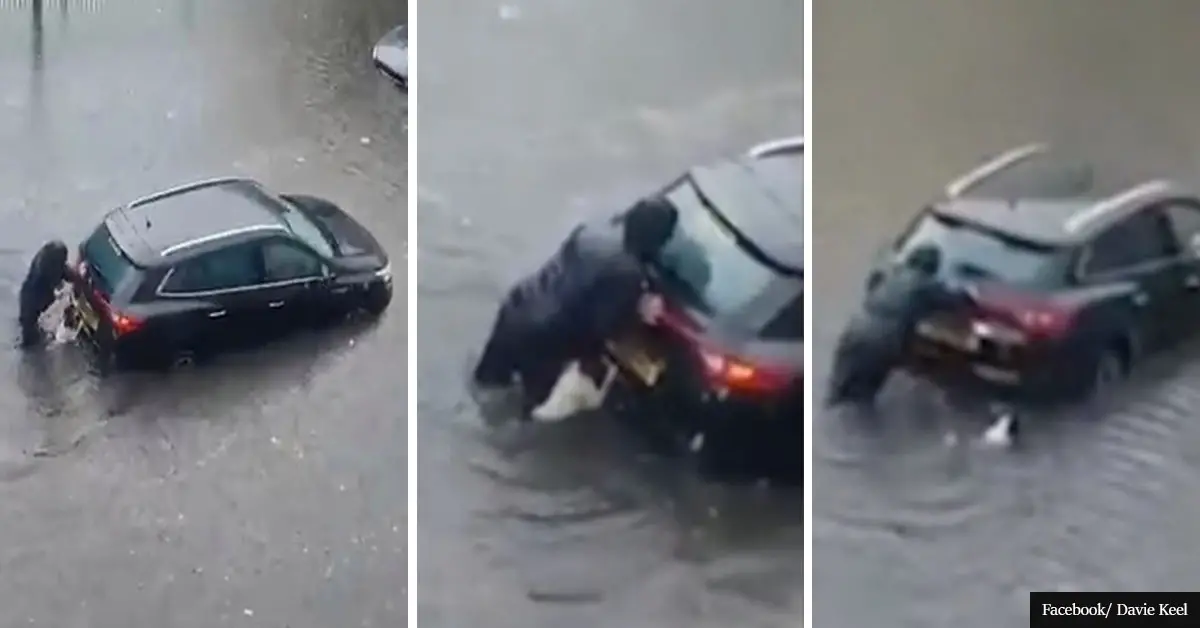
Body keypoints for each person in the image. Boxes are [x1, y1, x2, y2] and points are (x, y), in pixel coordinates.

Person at [473, 198, 678, 414]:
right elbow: (602, 329)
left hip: (516, 308)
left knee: (485, 384)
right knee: (526, 411)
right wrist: (638, 313)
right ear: (657, 240)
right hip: (543, 341)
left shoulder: (591, 231)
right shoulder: (629, 274)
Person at [826, 244, 973, 408]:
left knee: (836, 389)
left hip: (855, 328)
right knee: (863, 397)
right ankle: (855, 430)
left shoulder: (889, 274)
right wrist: (968, 294)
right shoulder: (926, 285)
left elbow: (872, 282)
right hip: (883, 341)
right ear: (932, 268)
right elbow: (954, 301)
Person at [19, 240, 78, 349]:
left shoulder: (46, 259)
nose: (64, 261)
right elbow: (59, 278)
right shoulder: (46, 268)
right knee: (30, 338)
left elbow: (65, 272)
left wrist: (77, 276)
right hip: (32, 302)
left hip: (31, 298)